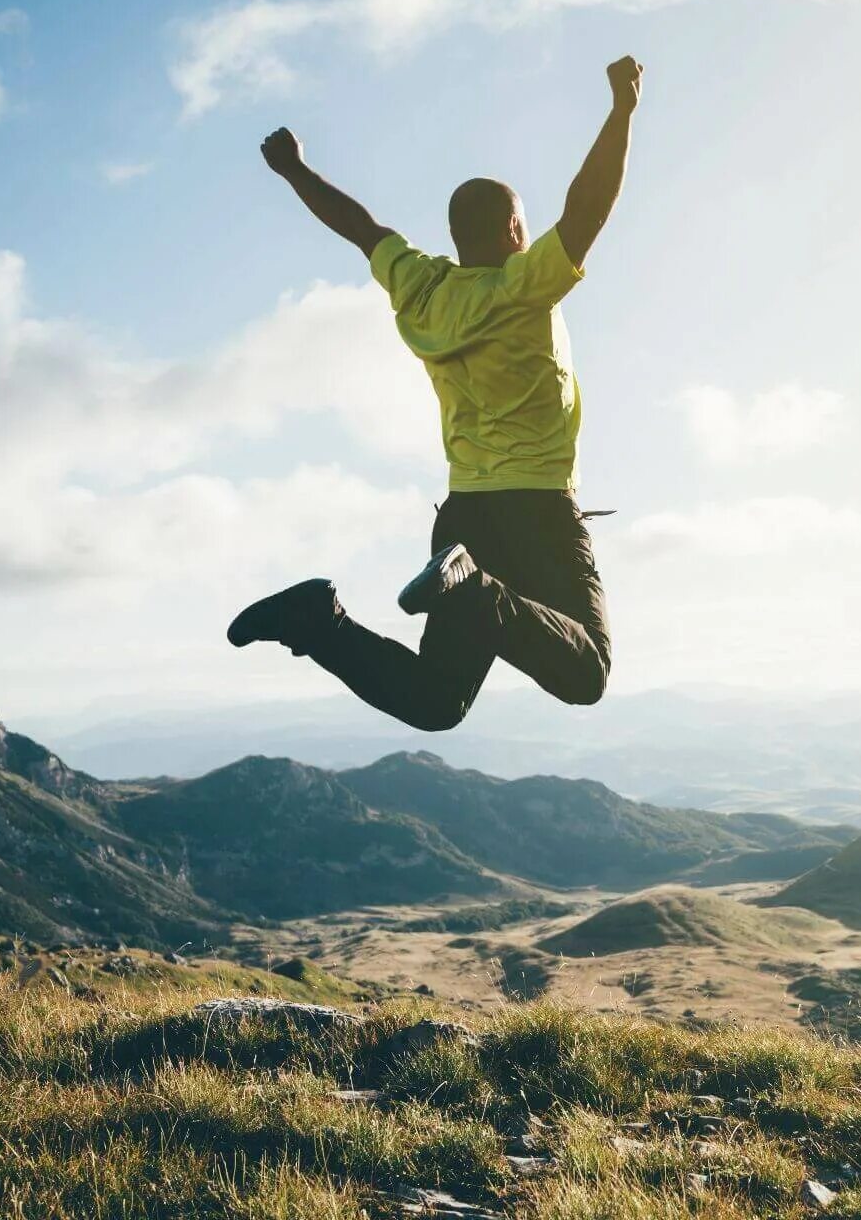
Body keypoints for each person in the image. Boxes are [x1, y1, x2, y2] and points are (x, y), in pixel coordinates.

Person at [226, 56, 644, 732]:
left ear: (454, 238)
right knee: (587, 672)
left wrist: (295, 171)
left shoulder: (419, 288)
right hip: (536, 508)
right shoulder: (525, 284)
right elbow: (589, 204)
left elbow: (360, 227)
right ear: (515, 233)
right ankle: (474, 588)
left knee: (436, 701)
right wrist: (622, 112)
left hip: (465, 519)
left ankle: (318, 623)